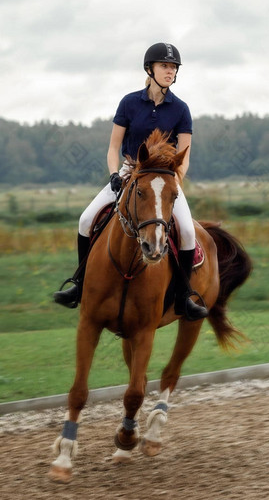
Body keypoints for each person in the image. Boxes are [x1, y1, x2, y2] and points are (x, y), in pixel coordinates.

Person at [54, 42, 208, 321]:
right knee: (86, 219)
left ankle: (184, 297)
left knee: (186, 231)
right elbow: (113, 147)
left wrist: (176, 182)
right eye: (164, 66)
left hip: (164, 178)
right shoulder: (129, 102)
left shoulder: (181, 109)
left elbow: (184, 156)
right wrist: (115, 173)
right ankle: (79, 285)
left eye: (173, 67)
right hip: (128, 172)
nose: (170, 71)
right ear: (150, 69)